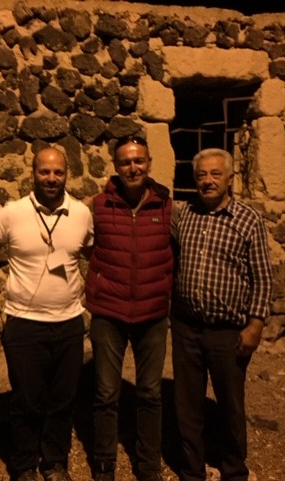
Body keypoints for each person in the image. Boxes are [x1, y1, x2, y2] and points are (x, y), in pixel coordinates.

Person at [170, 148, 273, 481]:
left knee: (230, 404)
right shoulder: (185, 215)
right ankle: (192, 471)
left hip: (227, 331)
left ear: (230, 177)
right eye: (201, 175)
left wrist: (255, 324)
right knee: (187, 405)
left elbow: (262, 276)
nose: (208, 181)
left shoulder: (248, 220)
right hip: (186, 326)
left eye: (216, 174)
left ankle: (233, 470)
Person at [0, 147, 94, 481]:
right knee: (26, 399)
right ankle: (24, 464)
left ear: (67, 175)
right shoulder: (11, 214)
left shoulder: (81, 214)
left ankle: (54, 461)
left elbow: (91, 254)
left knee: (63, 399)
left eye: (58, 172)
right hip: (23, 323)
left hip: (68, 323)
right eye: (44, 171)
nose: (51, 178)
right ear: (33, 172)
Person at [85, 136, 173, 481]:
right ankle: (104, 464)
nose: (133, 168)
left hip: (152, 315)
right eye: (125, 162)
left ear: (149, 162)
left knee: (150, 393)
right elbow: (83, 247)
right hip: (109, 314)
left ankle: (148, 466)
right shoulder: (98, 206)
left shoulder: (167, 207)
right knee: (106, 393)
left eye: (139, 161)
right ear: (116, 166)